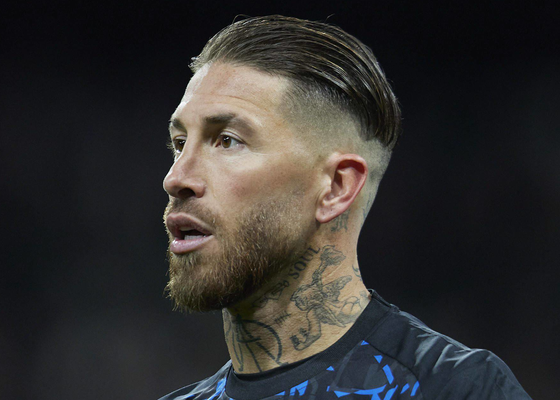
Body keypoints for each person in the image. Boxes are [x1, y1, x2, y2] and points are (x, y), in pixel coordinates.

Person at [160, 15, 531, 400]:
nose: (176, 177)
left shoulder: (455, 389)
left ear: (337, 187)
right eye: (180, 143)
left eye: (227, 140)